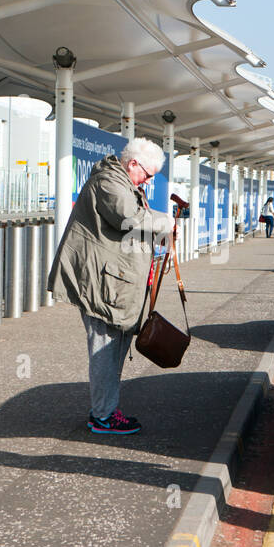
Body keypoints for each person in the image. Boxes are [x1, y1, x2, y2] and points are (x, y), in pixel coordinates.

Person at [47, 138, 174, 435]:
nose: (149, 181)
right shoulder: (108, 182)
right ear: (132, 164)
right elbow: (128, 217)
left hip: (114, 282)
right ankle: (103, 415)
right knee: (104, 351)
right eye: (148, 174)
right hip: (102, 284)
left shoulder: (123, 182)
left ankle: (105, 410)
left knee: (113, 349)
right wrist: (165, 222)